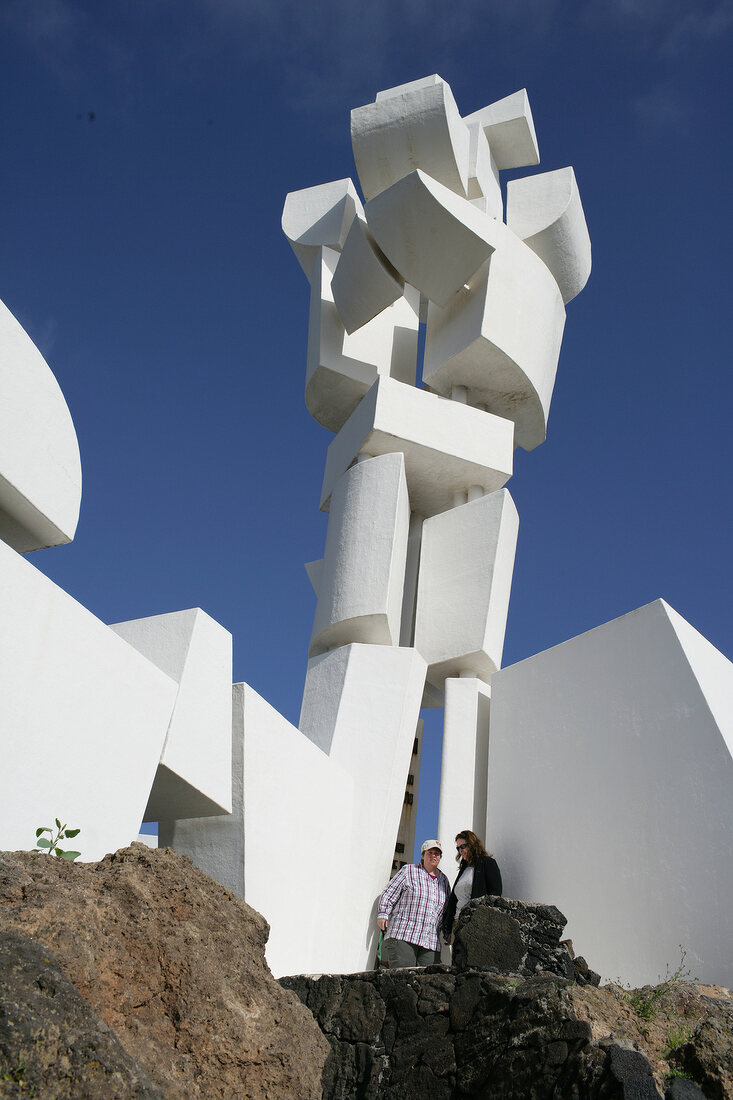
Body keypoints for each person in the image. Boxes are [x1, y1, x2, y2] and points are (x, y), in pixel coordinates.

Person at [377, 839, 450, 967]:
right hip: (404, 934)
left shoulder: (444, 881)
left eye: (437, 854)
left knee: (428, 982)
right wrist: (383, 913)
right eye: (430, 852)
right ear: (423, 855)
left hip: (430, 940)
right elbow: (389, 892)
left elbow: (446, 910)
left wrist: (447, 932)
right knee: (402, 979)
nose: (433, 856)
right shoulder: (409, 870)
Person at [442, 830, 502, 943]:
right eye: (458, 848)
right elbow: (454, 899)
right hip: (457, 922)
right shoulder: (463, 869)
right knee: (457, 960)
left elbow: (495, 895)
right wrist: (448, 927)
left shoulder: (488, 863)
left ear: (472, 844)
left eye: (463, 846)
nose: (460, 851)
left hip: (476, 922)